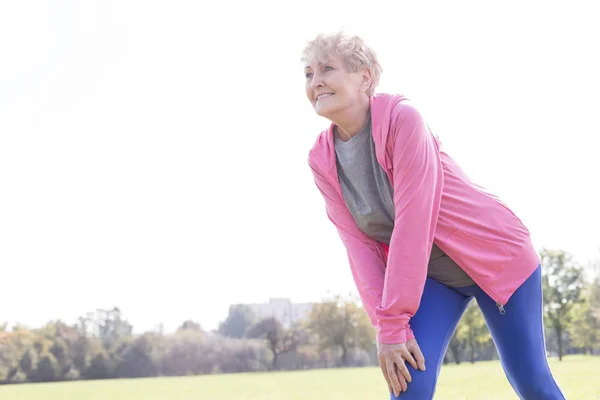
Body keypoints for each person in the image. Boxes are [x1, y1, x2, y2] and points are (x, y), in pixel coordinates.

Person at [303, 32, 566, 399]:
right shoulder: (322, 159)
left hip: (496, 258)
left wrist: (394, 322)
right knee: (408, 388)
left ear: (364, 77)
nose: (315, 81)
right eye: (308, 73)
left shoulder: (403, 120)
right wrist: (387, 329)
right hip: (434, 276)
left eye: (327, 69)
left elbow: (413, 225)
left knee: (532, 383)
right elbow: (359, 248)